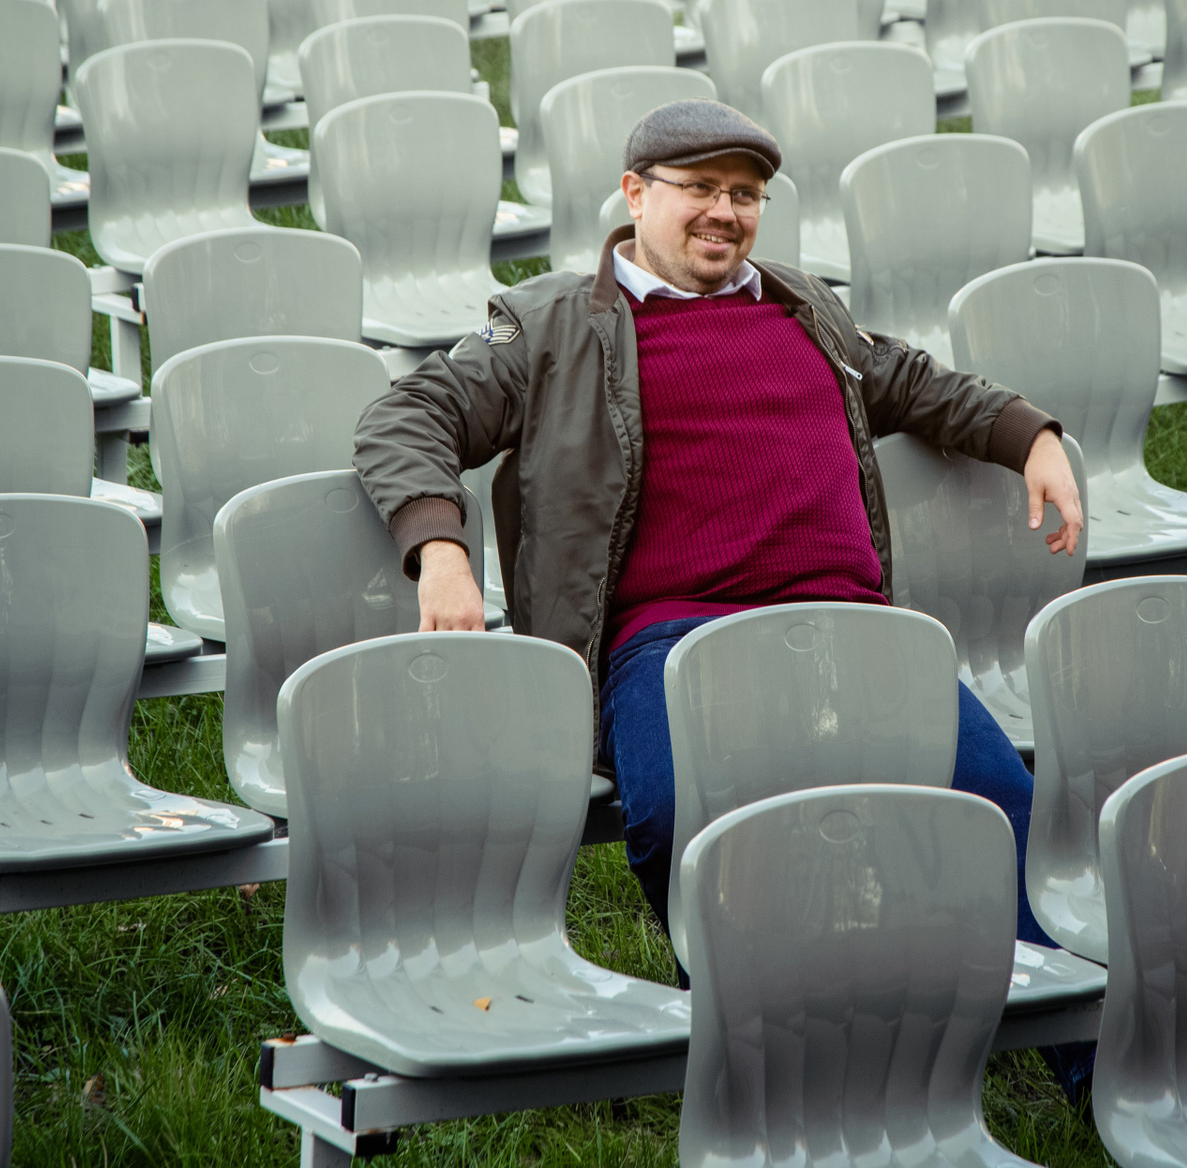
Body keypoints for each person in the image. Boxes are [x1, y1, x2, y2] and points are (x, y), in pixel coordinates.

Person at [353, 98, 1084, 952]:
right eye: (699, 187)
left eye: (744, 194)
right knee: (684, 818)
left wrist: (1029, 434)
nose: (725, 212)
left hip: (856, 631)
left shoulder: (804, 305)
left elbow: (914, 382)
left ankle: (1050, 1028)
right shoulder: (553, 325)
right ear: (636, 193)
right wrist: (441, 549)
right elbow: (407, 414)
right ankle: (755, 1010)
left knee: (1005, 808)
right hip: (675, 646)